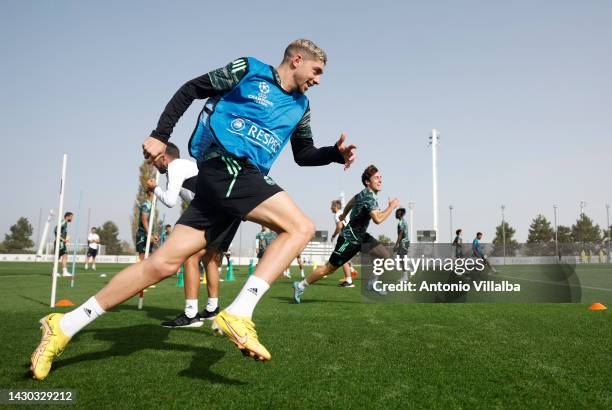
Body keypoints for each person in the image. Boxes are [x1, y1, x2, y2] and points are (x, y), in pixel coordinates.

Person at [30, 38, 355, 380]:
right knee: (300, 227)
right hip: (223, 165)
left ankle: (63, 324)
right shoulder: (249, 70)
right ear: (296, 60)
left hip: (239, 181)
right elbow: (191, 88)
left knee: (162, 264)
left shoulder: (301, 106)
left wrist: (334, 154)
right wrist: (160, 133)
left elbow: (303, 154)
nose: (318, 80)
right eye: (316, 71)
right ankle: (240, 312)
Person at [147, 142, 237, 327]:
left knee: (189, 255)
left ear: (164, 157)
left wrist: (154, 189)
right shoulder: (189, 165)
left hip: (215, 208)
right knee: (210, 259)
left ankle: (190, 315)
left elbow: (171, 201)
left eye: (154, 160)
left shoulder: (175, 166)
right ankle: (212, 308)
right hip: (229, 208)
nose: (153, 164)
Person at [293, 165, 399, 303]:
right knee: (329, 268)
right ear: (368, 181)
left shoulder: (364, 193)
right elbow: (377, 219)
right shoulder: (369, 198)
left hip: (361, 237)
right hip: (348, 241)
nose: (380, 180)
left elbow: (351, 201)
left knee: (385, 255)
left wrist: (343, 214)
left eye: (381, 177)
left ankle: (371, 283)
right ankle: (300, 285)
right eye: (376, 178)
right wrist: (391, 206)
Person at [330, 199, 356, 287]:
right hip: (351, 237)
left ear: (335, 207)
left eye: (331, 206)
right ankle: (351, 271)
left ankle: (349, 280)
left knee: (341, 257)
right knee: (344, 256)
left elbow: (339, 227)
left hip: (346, 238)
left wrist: (333, 236)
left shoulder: (337, 214)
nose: (330, 209)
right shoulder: (343, 212)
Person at [53, 212, 73, 277]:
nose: (72, 218)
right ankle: (56, 272)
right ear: (67, 216)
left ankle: (64, 272)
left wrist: (66, 238)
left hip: (61, 242)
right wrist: (62, 239)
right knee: (60, 256)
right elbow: (56, 230)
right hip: (60, 242)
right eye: (71, 217)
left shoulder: (65, 223)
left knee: (64, 256)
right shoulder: (64, 222)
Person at [394, 207, 410, 282]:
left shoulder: (401, 222)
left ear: (400, 214)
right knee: (401, 259)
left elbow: (401, 234)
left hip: (403, 243)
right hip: (405, 242)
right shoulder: (403, 221)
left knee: (402, 259)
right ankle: (405, 275)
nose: (395, 214)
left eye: (397, 212)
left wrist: (396, 244)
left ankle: (405, 276)